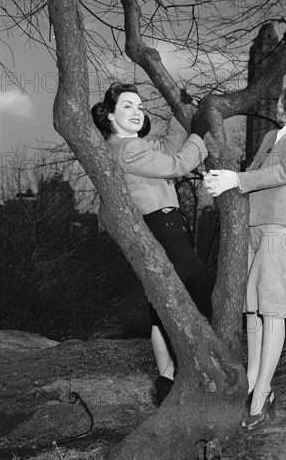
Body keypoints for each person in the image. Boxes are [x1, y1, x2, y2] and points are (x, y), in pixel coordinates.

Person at [204, 75, 286, 430]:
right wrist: (219, 180)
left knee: (272, 307)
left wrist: (238, 181)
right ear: (283, 102)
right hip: (250, 224)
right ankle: (251, 384)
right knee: (253, 310)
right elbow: (252, 171)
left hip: (278, 225)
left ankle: (261, 393)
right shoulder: (269, 136)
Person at [92, 82, 211, 405]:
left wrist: (179, 113)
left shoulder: (134, 145)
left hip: (164, 227)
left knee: (162, 302)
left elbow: (171, 147)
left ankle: (167, 378)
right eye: (127, 106)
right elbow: (176, 165)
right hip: (163, 229)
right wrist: (199, 134)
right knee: (195, 290)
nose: (136, 111)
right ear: (111, 116)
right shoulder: (128, 149)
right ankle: (187, 372)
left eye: (140, 106)